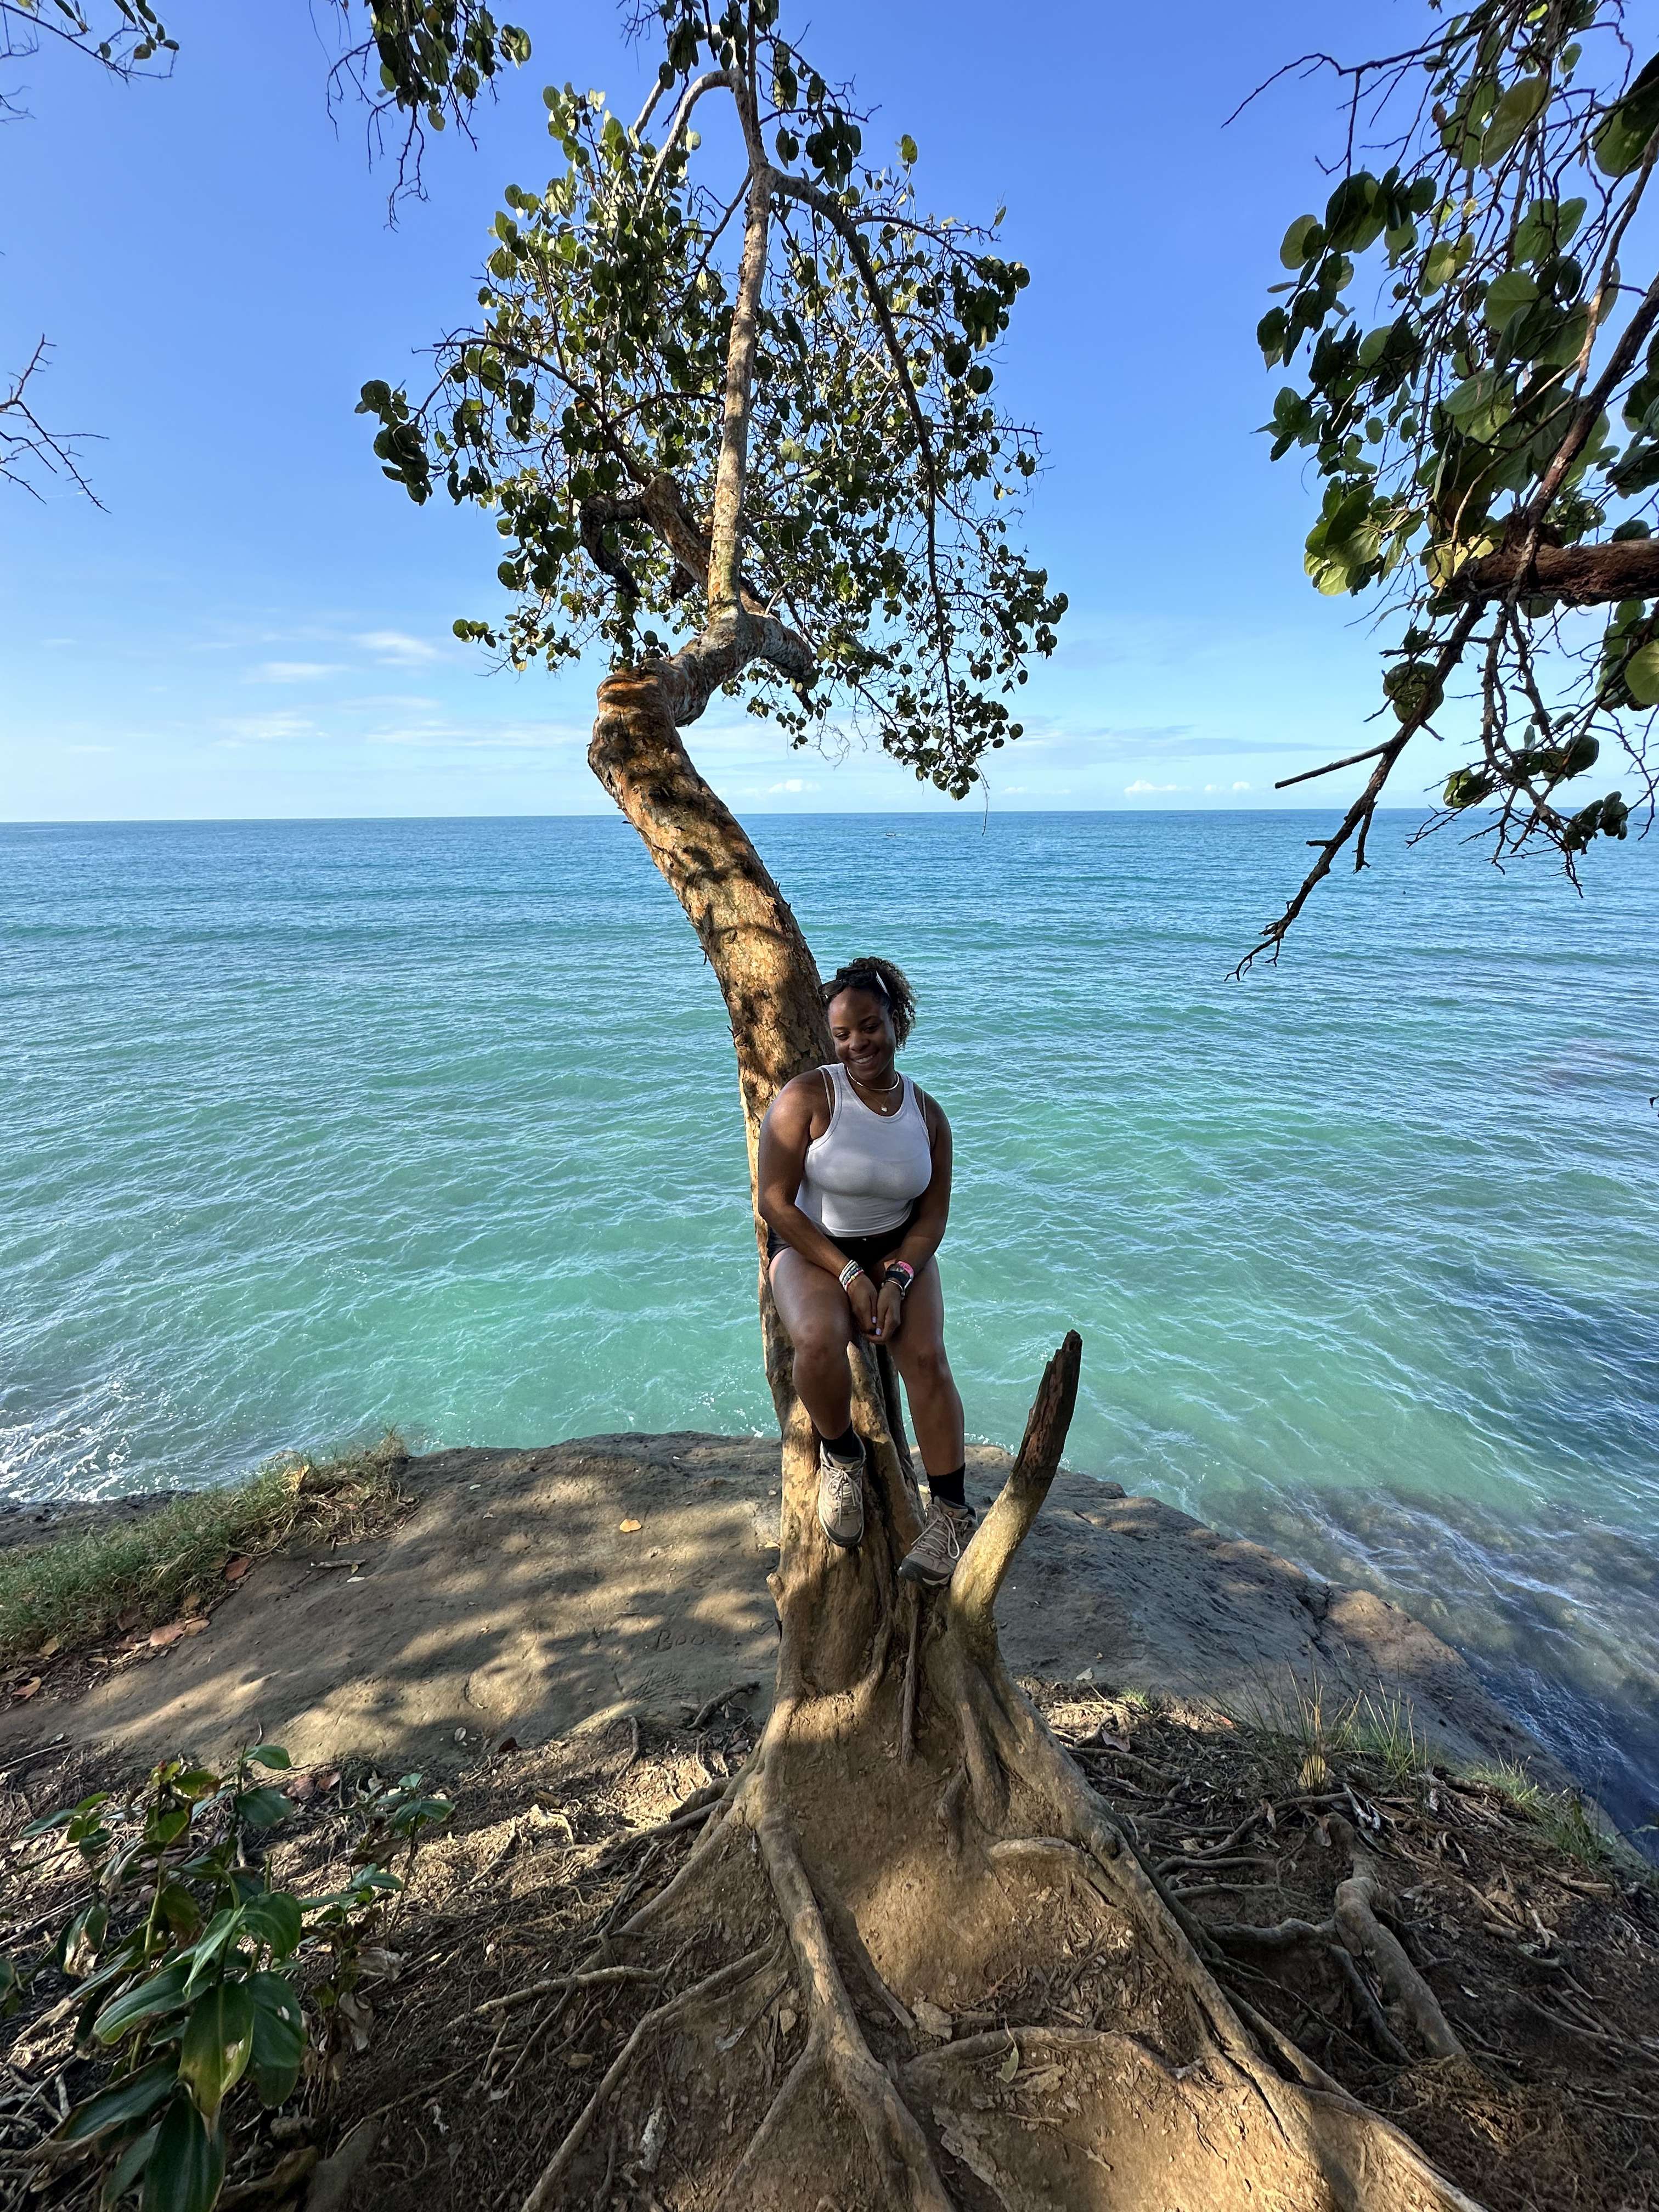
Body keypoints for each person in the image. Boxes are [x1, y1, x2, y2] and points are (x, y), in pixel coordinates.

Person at [756, 956, 973, 1586]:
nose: (857, 1045)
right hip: (812, 1246)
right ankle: (842, 1453)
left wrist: (898, 1279)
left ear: (896, 1022)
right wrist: (851, 1274)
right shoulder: (806, 1098)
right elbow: (775, 1201)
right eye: (843, 1034)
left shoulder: (928, 1116)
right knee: (820, 1344)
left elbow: (932, 1219)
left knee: (927, 1361)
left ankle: (953, 1512)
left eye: (870, 1027)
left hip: (899, 1251)